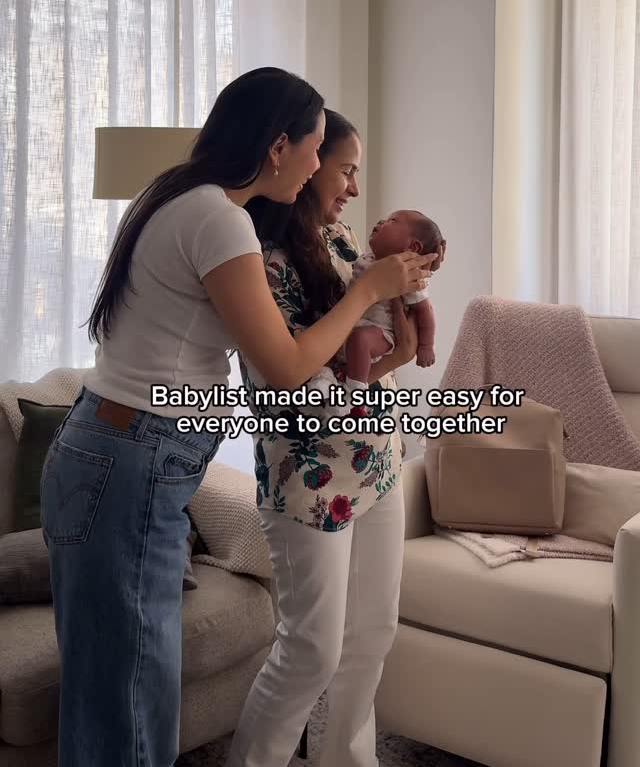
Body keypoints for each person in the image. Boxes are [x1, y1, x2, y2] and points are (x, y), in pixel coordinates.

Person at [39, 69, 430, 767]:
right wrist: (369, 289)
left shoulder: (186, 198)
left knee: (124, 694)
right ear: (279, 147)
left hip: (132, 448)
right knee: (129, 702)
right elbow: (285, 369)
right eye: (317, 150)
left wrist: (389, 329)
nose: (321, 168)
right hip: (136, 451)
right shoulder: (219, 220)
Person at [227, 110, 440, 767]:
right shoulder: (258, 264)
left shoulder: (345, 240)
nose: (354, 187)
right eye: (345, 169)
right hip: (307, 481)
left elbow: (380, 360)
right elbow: (294, 391)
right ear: (306, 161)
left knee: (372, 634)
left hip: (378, 464)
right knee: (310, 653)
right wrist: (375, 308)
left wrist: (403, 337)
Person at [345, 210, 446, 385]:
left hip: (381, 333)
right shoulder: (366, 259)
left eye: (392, 221)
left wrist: (426, 346)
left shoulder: (408, 276)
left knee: (360, 339)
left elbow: (425, 311)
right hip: (347, 327)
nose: (380, 221)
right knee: (353, 342)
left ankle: (354, 390)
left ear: (412, 248)